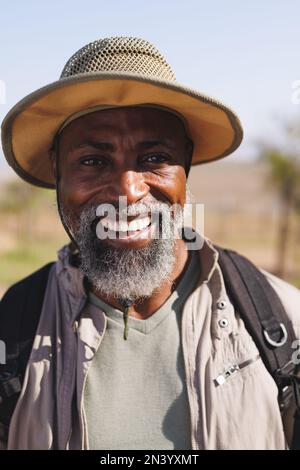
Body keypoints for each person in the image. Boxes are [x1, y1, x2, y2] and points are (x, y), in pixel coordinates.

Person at [0, 36, 300, 450]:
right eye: (93, 161)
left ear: (186, 165)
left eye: (154, 158)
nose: (128, 190)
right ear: (57, 171)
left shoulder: (283, 325)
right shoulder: (13, 330)